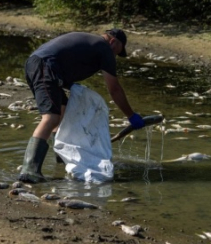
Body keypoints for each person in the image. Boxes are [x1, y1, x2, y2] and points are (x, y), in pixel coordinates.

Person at [19, 29, 145, 183]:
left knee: (62, 112)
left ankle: (62, 159)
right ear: (113, 42)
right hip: (45, 66)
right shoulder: (104, 48)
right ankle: (29, 170)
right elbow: (114, 89)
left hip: (38, 64)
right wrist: (130, 115)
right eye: (116, 52)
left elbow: (65, 57)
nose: (114, 57)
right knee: (51, 117)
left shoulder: (91, 42)